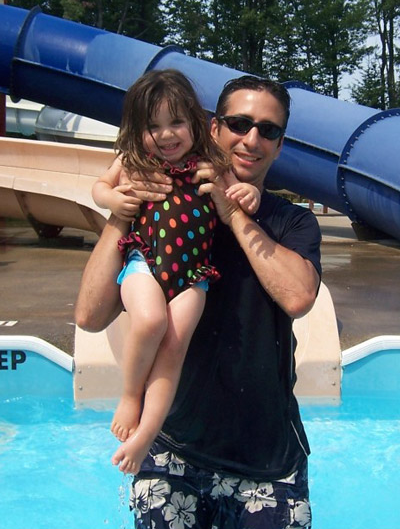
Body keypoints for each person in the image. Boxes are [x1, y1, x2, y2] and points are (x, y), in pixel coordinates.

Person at [75, 74, 321, 529]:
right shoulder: (161, 198)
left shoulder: (293, 222)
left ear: (280, 145)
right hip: (171, 452)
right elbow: (89, 315)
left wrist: (233, 214)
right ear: (213, 129)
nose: (251, 139)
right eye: (239, 123)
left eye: (268, 130)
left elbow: (299, 297)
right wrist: (121, 212)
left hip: (266, 463)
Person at [91, 69, 260, 475]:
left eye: (176, 123)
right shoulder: (132, 159)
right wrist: (112, 199)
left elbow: (240, 192)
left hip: (193, 275)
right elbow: (99, 186)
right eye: (153, 127)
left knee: (174, 345)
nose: (166, 135)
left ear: (195, 123)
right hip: (144, 261)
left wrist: (248, 192)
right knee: (149, 321)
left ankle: (147, 431)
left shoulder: (212, 162)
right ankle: (131, 395)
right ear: (137, 129)